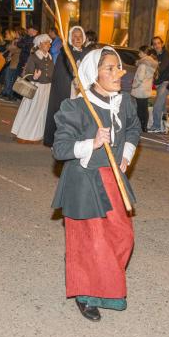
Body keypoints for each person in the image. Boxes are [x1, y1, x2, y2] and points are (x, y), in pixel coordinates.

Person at [51, 47, 141, 321]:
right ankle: (87, 294)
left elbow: (134, 128)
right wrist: (92, 142)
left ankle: (107, 285)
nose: (118, 73)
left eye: (118, 68)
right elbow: (60, 148)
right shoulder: (76, 106)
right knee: (91, 241)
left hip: (113, 178)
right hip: (84, 180)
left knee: (122, 236)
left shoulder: (124, 102)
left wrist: (125, 154)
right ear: (94, 75)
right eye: (110, 69)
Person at [43, 26, 93, 146]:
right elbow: (66, 69)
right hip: (68, 89)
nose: (77, 38)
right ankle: (60, 142)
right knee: (65, 115)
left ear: (84, 38)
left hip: (84, 90)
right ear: (70, 38)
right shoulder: (65, 52)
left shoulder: (88, 53)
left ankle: (80, 142)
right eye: (74, 36)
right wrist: (75, 76)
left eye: (80, 36)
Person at [11, 34, 55, 143]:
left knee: (41, 112)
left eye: (49, 43)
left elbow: (51, 72)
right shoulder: (34, 56)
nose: (48, 45)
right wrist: (34, 76)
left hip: (47, 88)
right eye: (45, 43)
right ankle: (24, 135)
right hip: (36, 87)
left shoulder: (49, 57)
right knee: (32, 111)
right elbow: (28, 72)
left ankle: (37, 135)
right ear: (39, 45)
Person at [147, 36, 169, 133]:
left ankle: (156, 126)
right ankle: (164, 126)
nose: (157, 45)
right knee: (162, 106)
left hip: (165, 83)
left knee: (157, 106)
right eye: (155, 44)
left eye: (158, 43)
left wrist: (150, 70)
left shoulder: (165, 54)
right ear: (152, 46)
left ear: (162, 44)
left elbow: (162, 68)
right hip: (158, 84)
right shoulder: (154, 56)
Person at [131, 46, 158, 132]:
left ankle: (140, 126)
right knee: (144, 108)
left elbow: (140, 77)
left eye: (140, 52)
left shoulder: (143, 63)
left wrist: (134, 85)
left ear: (144, 53)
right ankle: (144, 126)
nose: (139, 54)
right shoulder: (152, 63)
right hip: (146, 88)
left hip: (140, 89)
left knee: (140, 108)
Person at [0, 30, 22, 100]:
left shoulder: (20, 42)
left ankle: (10, 93)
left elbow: (12, 48)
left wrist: (10, 47)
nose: (15, 33)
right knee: (8, 78)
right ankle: (6, 92)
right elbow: (10, 49)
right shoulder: (15, 41)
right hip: (11, 61)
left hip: (16, 62)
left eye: (16, 32)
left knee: (11, 78)